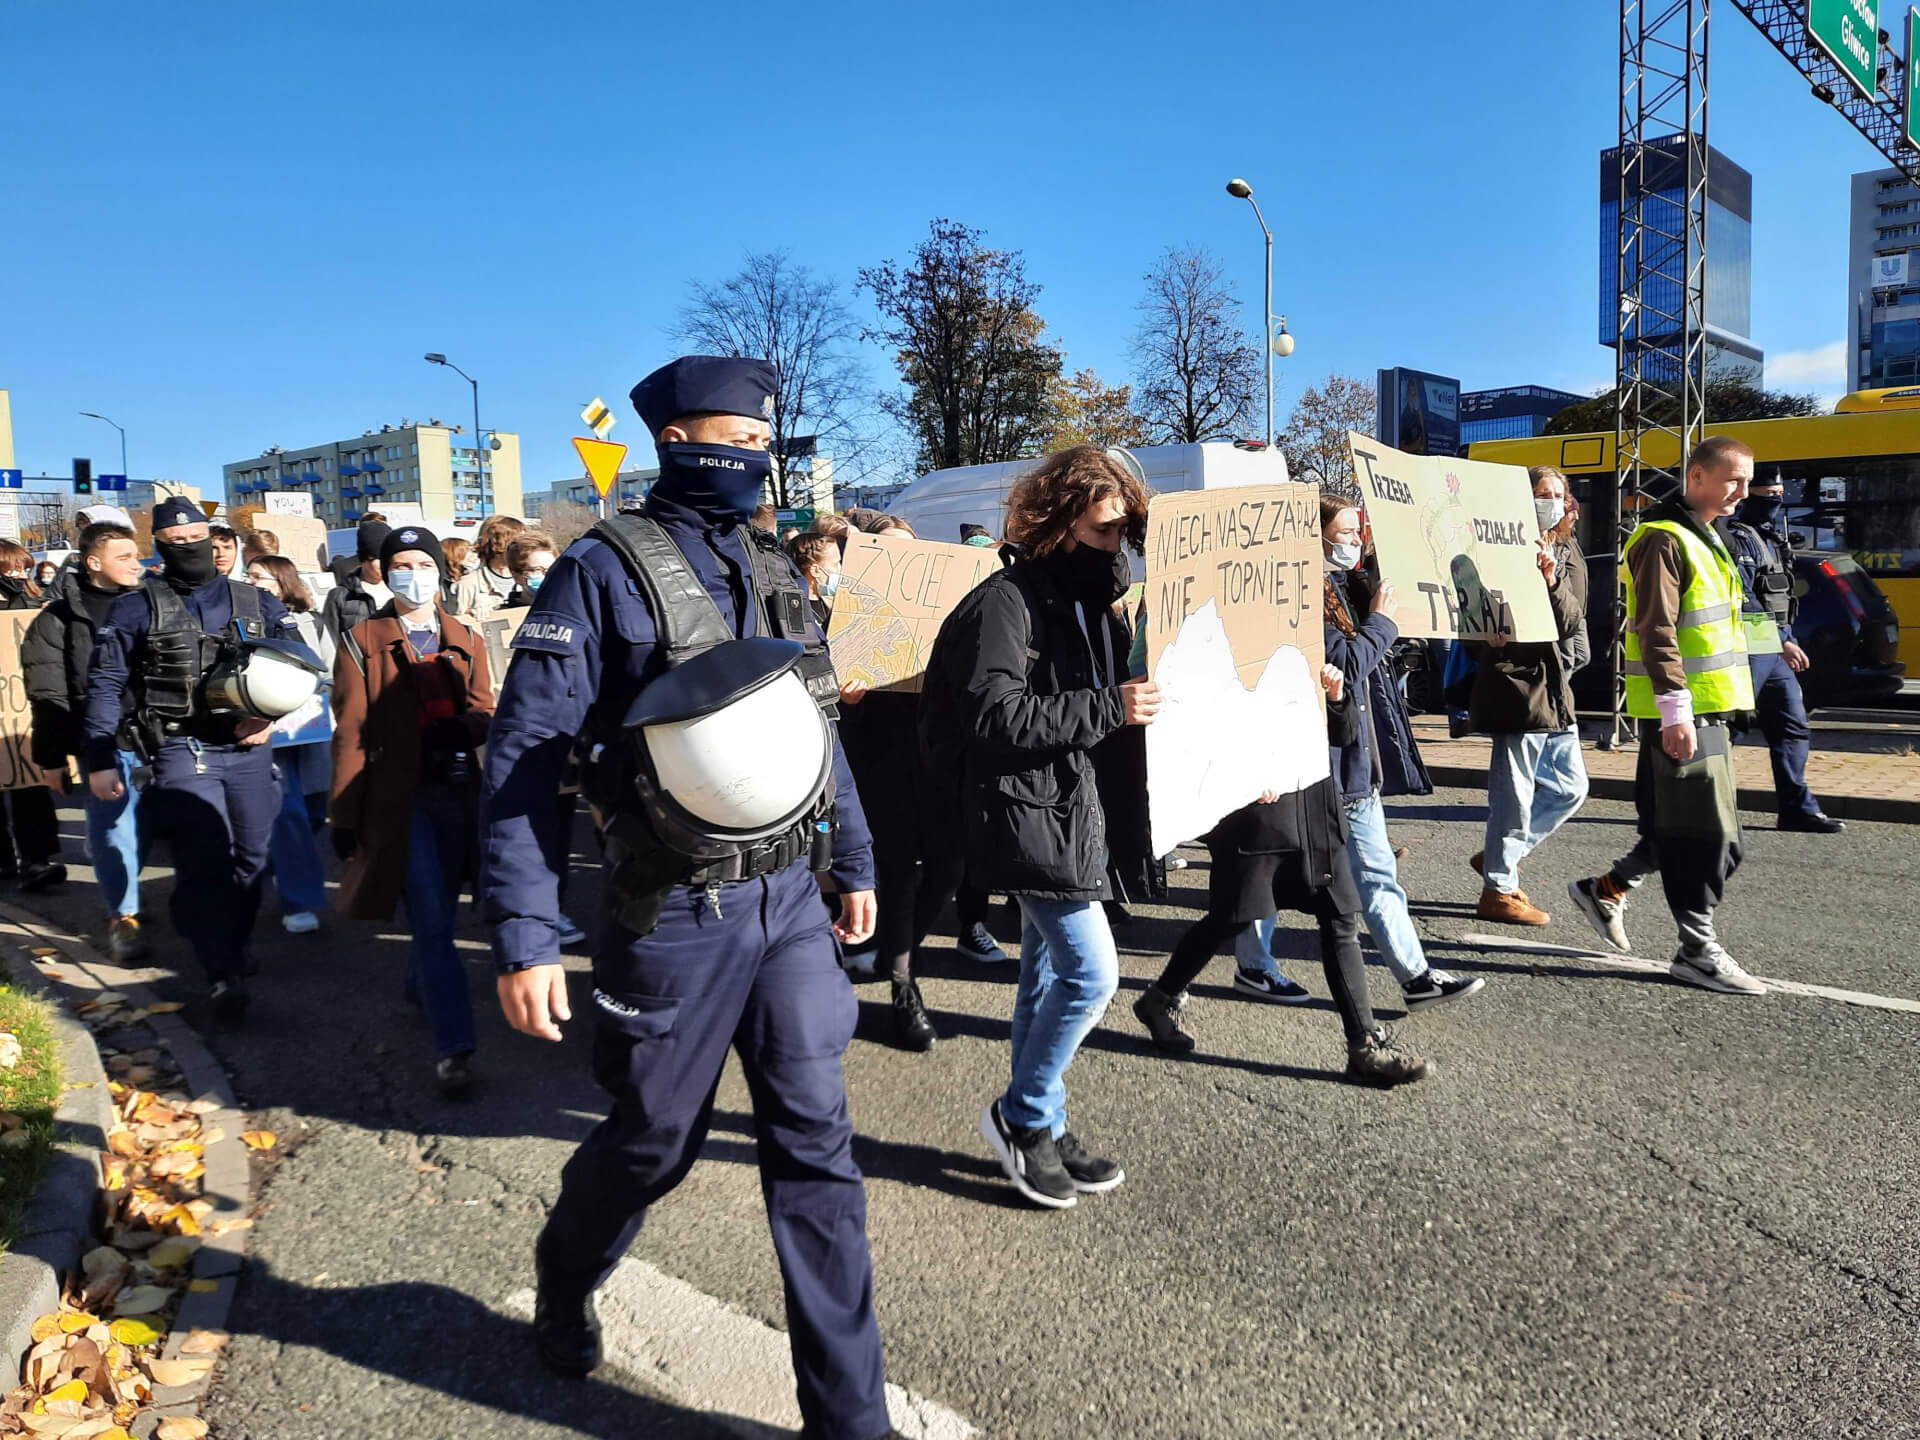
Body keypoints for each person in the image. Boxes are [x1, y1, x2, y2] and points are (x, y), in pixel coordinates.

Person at [482, 355, 896, 1440]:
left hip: (788, 911)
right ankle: (566, 1278)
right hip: (672, 915)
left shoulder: (774, 565)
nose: (751, 460)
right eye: (733, 440)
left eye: (763, 443)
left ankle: (851, 1422)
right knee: (653, 1143)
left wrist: (851, 858)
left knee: (817, 1150)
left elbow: (814, 729)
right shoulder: (602, 572)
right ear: (674, 440)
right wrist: (526, 934)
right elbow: (526, 757)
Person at [920, 444, 1159, 1210]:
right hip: (1020, 808)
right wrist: (1111, 707)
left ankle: (1043, 1122)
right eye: (1098, 533)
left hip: (1059, 803)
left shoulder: (1076, 599)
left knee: (1046, 975)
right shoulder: (1008, 601)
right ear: (1057, 527)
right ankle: (1022, 1116)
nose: (1113, 549)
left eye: (1123, 533)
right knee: (1092, 974)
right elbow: (993, 716)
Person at [1131, 663, 1430, 1086]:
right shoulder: (1218, 638)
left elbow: (1341, 737)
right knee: (1232, 916)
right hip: (1254, 811)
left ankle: (1364, 1044)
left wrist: (1336, 698)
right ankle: (1160, 998)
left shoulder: (1302, 642)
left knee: (1341, 917)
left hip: (1314, 806)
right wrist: (1241, 771)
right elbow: (1187, 726)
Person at [84, 498, 307, 1020]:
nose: (188, 549)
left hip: (249, 747)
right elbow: (105, 683)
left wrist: (271, 717)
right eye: (175, 543)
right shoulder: (136, 606)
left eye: (197, 539)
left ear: (214, 539)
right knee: (204, 860)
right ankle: (221, 973)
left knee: (253, 860)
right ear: (158, 545)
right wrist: (97, 753)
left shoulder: (256, 601)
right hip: (183, 749)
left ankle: (226, 938)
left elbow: (303, 665)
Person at [1569, 437, 1766, 994]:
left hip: (1709, 709)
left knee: (1677, 828)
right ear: (1697, 476)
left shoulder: (1710, 536)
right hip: (1683, 713)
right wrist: (1675, 710)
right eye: (1734, 480)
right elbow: (1655, 629)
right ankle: (1696, 951)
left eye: (1747, 481)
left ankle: (1605, 889)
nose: (1744, 492)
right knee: (1709, 838)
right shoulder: (1663, 538)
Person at [332, 526, 495, 1098]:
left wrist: (463, 726)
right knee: (430, 915)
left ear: (440, 571)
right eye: (400, 564)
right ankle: (456, 1048)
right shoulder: (361, 638)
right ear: (384, 571)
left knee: (444, 912)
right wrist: (345, 814)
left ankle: (418, 981)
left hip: (458, 790)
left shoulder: (465, 636)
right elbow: (350, 729)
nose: (413, 574)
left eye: (423, 563)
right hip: (401, 800)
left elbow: (486, 709)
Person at [1307, 498, 1483, 1010]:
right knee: (1360, 878)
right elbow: (1347, 662)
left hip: (1353, 761)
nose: (1353, 542)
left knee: (1273, 881)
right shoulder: (1299, 597)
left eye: (1358, 533)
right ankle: (1414, 978)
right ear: (1313, 538)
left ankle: (1250, 967)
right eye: (1343, 533)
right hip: (1333, 766)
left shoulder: (1342, 588)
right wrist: (1381, 621)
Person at [1466, 465, 1591, 925]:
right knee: (1513, 795)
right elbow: (1465, 610)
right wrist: (1483, 638)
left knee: (1571, 787)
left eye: (1558, 493)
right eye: (1542, 493)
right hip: (1516, 683)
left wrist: (1552, 579)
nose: (1551, 501)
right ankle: (1499, 889)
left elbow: (1572, 620)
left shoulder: (1568, 550)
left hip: (1556, 686)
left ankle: (1499, 857)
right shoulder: (1495, 546)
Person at [22, 522, 146, 956]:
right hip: (104, 743)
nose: (137, 564)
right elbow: (48, 693)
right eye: (124, 557)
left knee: (159, 830)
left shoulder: (158, 603)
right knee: (113, 833)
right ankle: (123, 918)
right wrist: (52, 758)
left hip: (163, 739)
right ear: (94, 563)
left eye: (137, 555)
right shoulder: (57, 620)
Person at [1723, 475, 1843, 833]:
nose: (1777, 498)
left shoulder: (1773, 538)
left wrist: (1783, 638)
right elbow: (1748, 599)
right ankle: (1695, 804)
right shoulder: (1736, 537)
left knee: (1793, 727)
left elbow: (1780, 597)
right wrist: (1781, 640)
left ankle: (1797, 809)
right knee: (1730, 728)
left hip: (1773, 647)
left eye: (1780, 494)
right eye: (1769, 494)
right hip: (1751, 646)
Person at [246, 555, 334, 936]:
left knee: (315, 810)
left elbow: (331, 670)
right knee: (289, 810)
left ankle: (282, 864)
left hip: (309, 729)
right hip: (268, 733)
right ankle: (299, 900)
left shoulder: (311, 623)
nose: (255, 583)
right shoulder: (240, 620)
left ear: (284, 583)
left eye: (262, 578)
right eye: (249, 576)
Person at [0, 541, 67, 894]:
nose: (16, 575)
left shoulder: (36, 606)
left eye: (20, 568)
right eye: (8, 569)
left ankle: (37, 860)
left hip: (24, 713)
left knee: (31, 787)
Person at [321, 519, 393, 644]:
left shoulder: (400, 589)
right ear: (365, 558)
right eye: (379, 558)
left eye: (389, 558)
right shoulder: (341, 596)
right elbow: (329, 641)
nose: (386, 564)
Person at [463, 514, 525, 622]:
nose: (524, 548)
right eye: (516, 543)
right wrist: (468, 615)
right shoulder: (468, 584)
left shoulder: (529, 579)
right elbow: (454, 628)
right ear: (496, 544)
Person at [502, 531, 558, 609]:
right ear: (516, 576)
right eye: (537, 570)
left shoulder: (569, 609)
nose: (547, 575)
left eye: (552, 569)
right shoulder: (504, 614)